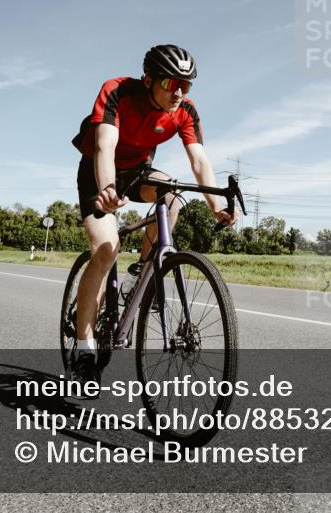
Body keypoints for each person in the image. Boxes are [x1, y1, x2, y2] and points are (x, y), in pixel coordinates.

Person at [68, 44, 237, 391]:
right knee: (105, 248)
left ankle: (139, 274)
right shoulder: (118, 91)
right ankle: (84, 349)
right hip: (99, 171)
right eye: (170, 83)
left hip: (138, 171)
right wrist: (108, 188)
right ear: (148, 80)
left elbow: (199, 161)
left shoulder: (184, 110)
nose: (178, 92)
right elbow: (104, 147)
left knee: (173, 194)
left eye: (186, 85)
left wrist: (214, 205)